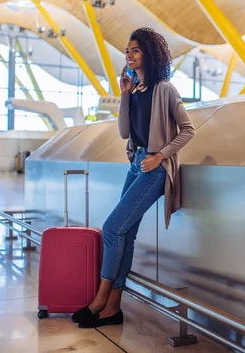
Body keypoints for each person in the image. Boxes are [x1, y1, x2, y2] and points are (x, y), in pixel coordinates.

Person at [72, 28, 195, 328]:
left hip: (154, 168)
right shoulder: (134, 89)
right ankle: (113, 308)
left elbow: (188, 129)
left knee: (112, 228)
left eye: (136, 50)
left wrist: (160, 156)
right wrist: (124, 95)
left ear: (150, 54)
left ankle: (101, 298)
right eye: (128, 50)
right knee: (125, 234)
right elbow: (125, 133)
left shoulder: (165, 89)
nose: (129, 54)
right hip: (135, 163)